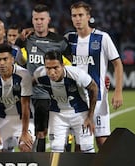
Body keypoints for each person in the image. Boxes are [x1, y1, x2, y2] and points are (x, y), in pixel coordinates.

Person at [65, 1, 123, 150]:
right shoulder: (68, 39)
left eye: (80, 15)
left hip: (98, 99)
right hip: (75, 100)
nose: (77, 19)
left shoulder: (102, 38)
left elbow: (117, 64)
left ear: (88, 16)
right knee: (79, 144)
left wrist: (118, 92)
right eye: (74, 16)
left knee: (102, 141)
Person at [22, 4, 72, 152]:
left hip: (58, 94)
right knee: (41, 132)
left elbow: (70, 66)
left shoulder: (60, 41)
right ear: (32, 20)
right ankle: (41, 165)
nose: (39, 22)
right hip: (38, 94)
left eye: (42, 19)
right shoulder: (27, 39)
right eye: (36, 19)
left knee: (63, 132)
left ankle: (65, 164)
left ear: (48, 20)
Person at [33, 50, 98, 153]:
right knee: (56, 149)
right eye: (48, 68)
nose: (52, 72)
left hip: (80, 112)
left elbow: (94, 88)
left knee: (87, 148)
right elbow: (28, 86)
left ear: (62, 65)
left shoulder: (77, 74)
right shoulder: (39, 75)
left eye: (55, 68)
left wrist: (90, 117)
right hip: (57, 114)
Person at [0, 43, 34, 152]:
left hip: (22, 119)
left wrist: (24, 133)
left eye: (5, 59)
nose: (1, 63)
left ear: (12, 59)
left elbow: (25, 106)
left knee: (25, 147)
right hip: (2, 118)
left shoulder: (23, 75)